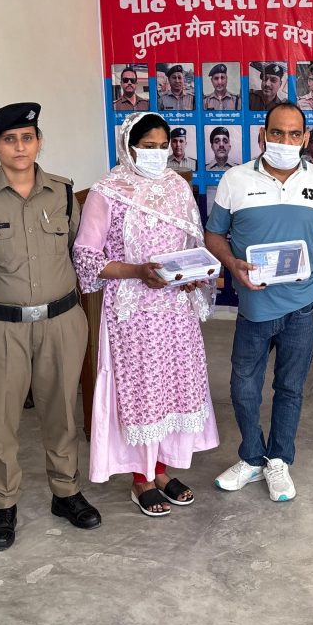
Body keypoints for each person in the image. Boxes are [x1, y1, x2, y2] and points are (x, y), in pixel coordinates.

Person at [0, 102, 101, 552]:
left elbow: (77, 251)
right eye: (10, 139)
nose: (20, 147)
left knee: (63, 412)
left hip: (61, 320)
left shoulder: (63, 192)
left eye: (28, 138)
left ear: (39, 143)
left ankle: (66, 492)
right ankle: (3, 504)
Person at [205, 102, 313, 502]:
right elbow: (213, 235)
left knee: (290, 387)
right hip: (254, 307)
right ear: (262, 136)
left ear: (304, 138)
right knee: (243, 387)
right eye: (276, 133)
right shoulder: (235, 179)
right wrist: (232, 265)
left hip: (301, 307)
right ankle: (252, 457)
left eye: (293, 134)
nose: (284, 141)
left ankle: (279, 460)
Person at [74, 112, 219, 516]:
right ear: (129, 146)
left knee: (172, 387)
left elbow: (192, 244)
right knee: (142, 392)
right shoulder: (108, 190)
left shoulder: (176, 186)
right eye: (147, 147)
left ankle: (161, 470)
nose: (157, 154)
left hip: (175, 310)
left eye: (162, 147)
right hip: (133, 312)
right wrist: (138, 271)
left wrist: (192, 276)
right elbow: (87, 257)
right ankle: (141, 479)